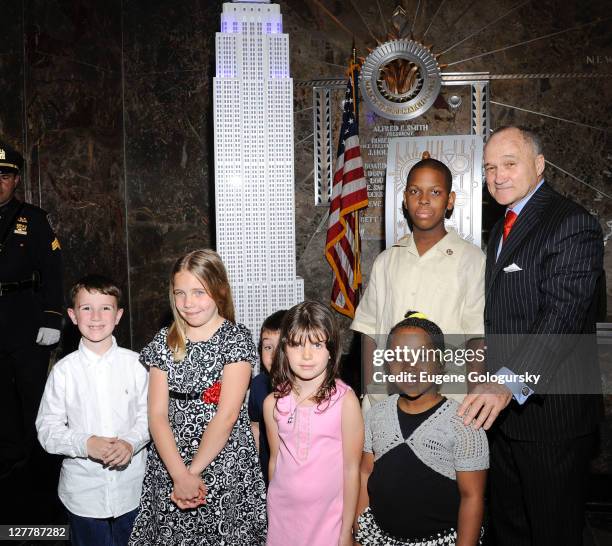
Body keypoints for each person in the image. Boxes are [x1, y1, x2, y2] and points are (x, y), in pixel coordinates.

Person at [458, 126, 604, 545]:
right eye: (489, 168)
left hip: (551, 417)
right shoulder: (502, 226)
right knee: (510, 530)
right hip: (503, 418)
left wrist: (507, 382)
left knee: (553, 532)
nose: (498, 176)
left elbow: (562, 317)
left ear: (539, 166)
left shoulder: (572, 223)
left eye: (509, 163)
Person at [128, 249, 267, 545]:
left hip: (222, 461)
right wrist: (179, 475)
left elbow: (227, 415)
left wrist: (192, 473)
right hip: (170, 461)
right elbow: (156, 415)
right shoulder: (164, 341)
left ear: (218, 291)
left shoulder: (235, 339)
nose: (188, 303)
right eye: (180, 293)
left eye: (198, 293)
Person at [351, 154, 485, 408]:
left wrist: (473, 397)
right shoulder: (387, 260)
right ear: (404, 198)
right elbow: (368, 329)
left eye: (435, 192)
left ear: (450, 200)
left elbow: (476, 336)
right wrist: (372, 390)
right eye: (415, 191)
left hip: (448, 399)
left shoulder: (471, 259)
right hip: (388, 399)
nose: (424, 199)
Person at [354, 311, 488, 546]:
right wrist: (360, 534)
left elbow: (472, 497)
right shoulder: (376, 415)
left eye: (421, 356)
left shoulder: (465, 425)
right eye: (398, 356)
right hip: (379, 539)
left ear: (440, 361)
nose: (409, 365)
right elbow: (365, 473)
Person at [36, 275, 149, 546]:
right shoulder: (64, 372)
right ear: (73, 316)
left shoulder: (137, 365)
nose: (96, 316)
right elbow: (47, 428)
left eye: (105, 308)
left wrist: (130, 443)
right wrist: (85, 444)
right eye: (86, 308)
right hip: (83, 495)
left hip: (132, 491)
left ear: (118, 314)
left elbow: (150, 416)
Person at [264, 301, 363, 546]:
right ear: (284, 348)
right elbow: (275, 461)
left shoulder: (346, 401)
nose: (306, 355)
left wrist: (346, 530)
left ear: (331, 349)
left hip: (328, 521)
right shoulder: (273, 404)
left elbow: (352, 469)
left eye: (317, 345)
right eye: (297, 345)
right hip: (283, 520)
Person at [0, 140, 63, 522]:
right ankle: (7, 460)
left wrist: (52, 317)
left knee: (32, 394)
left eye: (5, 175)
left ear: (16, 179)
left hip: (26, 320)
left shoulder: (34, 219)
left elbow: (52, 271)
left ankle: (39, 464)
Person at [248, 309, 286, 485]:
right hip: (267, 478)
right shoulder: (258, 385)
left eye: (282, 347)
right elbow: (255, 425)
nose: (274, 355)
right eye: (268, 347)